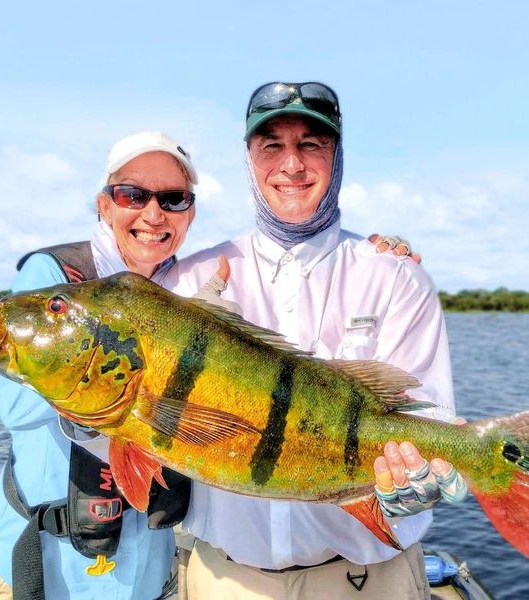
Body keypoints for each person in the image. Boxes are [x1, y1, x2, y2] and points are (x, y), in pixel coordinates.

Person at [158, 82, 466, 599]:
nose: (292, 164)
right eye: (272, 145)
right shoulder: (187, 282)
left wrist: (416, 485)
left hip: (369, 581)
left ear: (337, 157)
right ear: (249, 160)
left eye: (312, 144)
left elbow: (428, 423)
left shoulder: (395, 277)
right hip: (225, 579)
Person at [0, 131, 200, 600]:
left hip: (144, 566)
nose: (153, 214)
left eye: (173, 199)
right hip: (44, 565)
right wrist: (121, 385)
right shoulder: (56, 280)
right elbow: (16, 409)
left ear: (189, 214)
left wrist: (389, 251)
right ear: (104, 205)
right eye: (133, 194)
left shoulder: (189, 289)